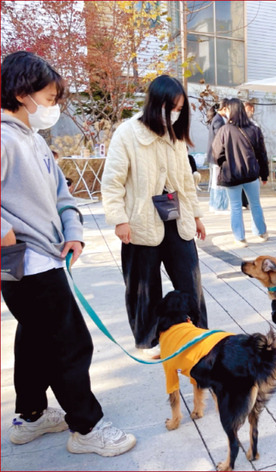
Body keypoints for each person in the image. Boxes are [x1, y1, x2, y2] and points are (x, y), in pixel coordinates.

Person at [1, 51, 136, 456]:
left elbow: (63, 193)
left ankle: (30, 415)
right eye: (50, 95)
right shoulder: (4, 138)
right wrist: (5, 233)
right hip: (27, 261)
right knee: (70, 343)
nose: (54, 105)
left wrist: (73, 231)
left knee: (35, 339)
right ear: (24, 93)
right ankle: (87, 427)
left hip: (44, 256)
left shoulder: (32, 139)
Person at [102, 75, 207, 359]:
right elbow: (112, 181)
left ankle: (198, 335)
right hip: (140, 224)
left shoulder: (176, 137)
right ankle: (149, 341)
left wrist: (196, 216)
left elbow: (186, 181)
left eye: (179, 109)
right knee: (143, 286)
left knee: (190, 281)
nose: (174, 114)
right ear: (155, 103)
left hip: (177, 220)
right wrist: (119, 219)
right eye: (170, 107)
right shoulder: (127, 133)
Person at [212, 98, 269, 248]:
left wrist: (224, 162)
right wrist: (264, 174)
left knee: (236, 206)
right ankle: (261, 232)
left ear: (231, 111)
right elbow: (262, 154)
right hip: (251, 174)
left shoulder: (225, 130)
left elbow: (216, 152)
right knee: (255, 204)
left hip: (231, 174)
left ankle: (240, 238)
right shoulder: (254, 129)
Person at [207, 99, 230, 213]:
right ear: (225, 108)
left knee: (215, 181)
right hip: (217, 157)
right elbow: (221, 140)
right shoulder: (219, 121)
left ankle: (213, 205)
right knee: (219, 182)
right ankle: (219, 206)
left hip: (214, 157)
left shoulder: (218, 119)